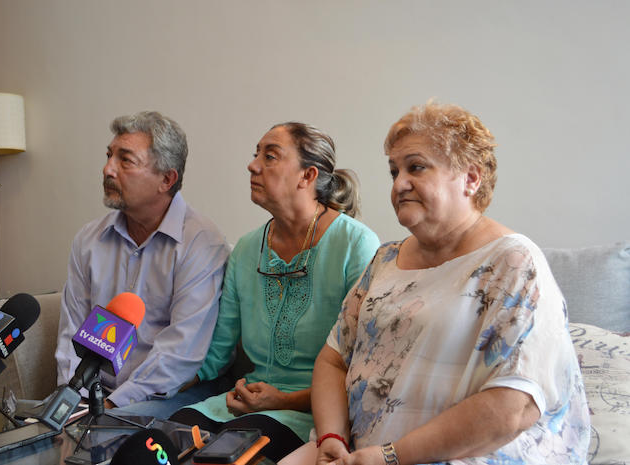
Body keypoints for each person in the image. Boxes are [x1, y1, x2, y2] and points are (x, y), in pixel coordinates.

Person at [284, 103, 590, 465]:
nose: (399, 184)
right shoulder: (385, 260)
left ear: (471, 178)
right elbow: (333, 359)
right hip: (356, 454)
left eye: (416, 167)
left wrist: (389, 456)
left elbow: (515, 406)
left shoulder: (514, 263)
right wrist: (332, 438)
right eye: (394, 171)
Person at [167, 122, 381, 462]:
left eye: (270, 156)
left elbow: (361, 370)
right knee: (154, 447)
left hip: (313, 414)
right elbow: (218, 353)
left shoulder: (356, 245)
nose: (252, 166)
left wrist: (283, 400)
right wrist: (155, 380)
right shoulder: (246, 248)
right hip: (239, 404)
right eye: (256, 155)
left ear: (307, 176)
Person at [55, 111, 229, 415]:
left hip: (164, 396)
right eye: (109, 156)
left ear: (166, 179)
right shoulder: (89, 240)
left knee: (111, 432)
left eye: (125, 160)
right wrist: (71, 401)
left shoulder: (201, 243)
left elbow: (180, 354)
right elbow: (72, 333)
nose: (108, 169)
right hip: (94, 395)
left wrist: (111, 405)